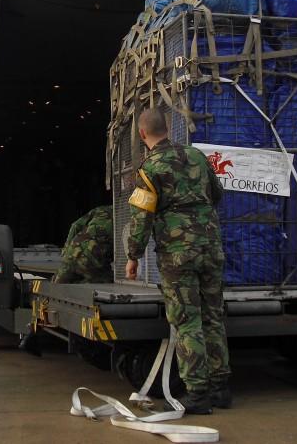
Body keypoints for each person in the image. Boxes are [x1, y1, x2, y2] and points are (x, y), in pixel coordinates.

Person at [125, 108, 230, 415]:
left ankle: (197, 393)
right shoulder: (196, 156)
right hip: (211, 247)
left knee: (187, 321)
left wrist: (133, 256)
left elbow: (141, 218)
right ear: (168, 128)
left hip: (178, 254)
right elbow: (217, 194)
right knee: (213, 316)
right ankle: (221, 388)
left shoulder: (149, 169)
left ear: (142, 134)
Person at [53, 205, 114, 284]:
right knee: (111, 281)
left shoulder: (101, 209)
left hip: (71, 254)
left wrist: (66, 249)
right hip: (92, 260)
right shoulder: (123, 217)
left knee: (56, 285)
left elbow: (75, 225)